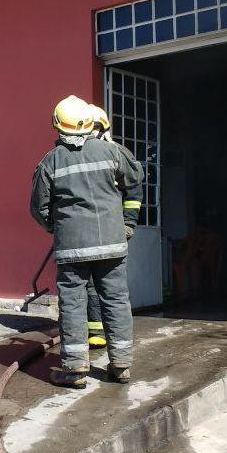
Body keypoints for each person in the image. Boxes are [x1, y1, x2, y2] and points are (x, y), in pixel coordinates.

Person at [31, 96, 144, 388]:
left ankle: (75, 368)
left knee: (72, 304)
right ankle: (120, 366)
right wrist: (126, 224)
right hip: (112, 244)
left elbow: (39, 208)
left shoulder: (51, 160)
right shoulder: (113, 152)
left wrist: (57, 227)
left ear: (58, 126)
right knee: (116, 300)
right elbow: (135, 179)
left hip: (72, 248)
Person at [85, 104, 143, 349]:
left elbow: (133, 191)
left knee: (111, 289)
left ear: (103, 128)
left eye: (94, 127)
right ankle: (96, 333)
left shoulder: (117, 153)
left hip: (111, 232)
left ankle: (114, 339)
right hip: (87, 235)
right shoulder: (78, 155)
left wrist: (128, 223)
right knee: (90, 287)